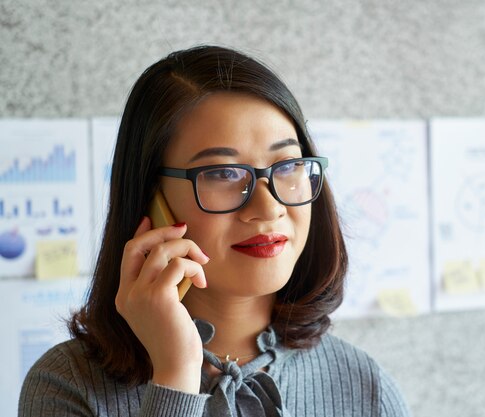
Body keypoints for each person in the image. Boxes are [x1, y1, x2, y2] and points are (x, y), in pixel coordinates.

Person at [19, 45, 411, 416]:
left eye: (288, 165)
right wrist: (175, 376)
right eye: (223, 173)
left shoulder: (365, 387)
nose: (267, 208)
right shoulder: (67, 386)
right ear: (152, 200)